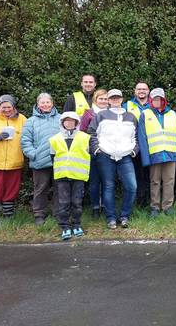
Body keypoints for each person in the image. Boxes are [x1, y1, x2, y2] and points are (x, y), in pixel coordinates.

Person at [88, 89, 138, 229]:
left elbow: (136, 136)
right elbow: (91, 133)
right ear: (108, 100)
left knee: (131, 186)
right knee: (108, 186)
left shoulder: (131, 116)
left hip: (125, 156)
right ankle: (110, 218)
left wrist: (134, 151)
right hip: (105, 156)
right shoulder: (101, 115)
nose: (115, 100)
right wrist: (97, 149)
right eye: (112, 98)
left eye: (118, 97)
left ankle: (124, 216)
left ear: (122, 99)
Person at [138, 88, 176, 217]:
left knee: (169, 180)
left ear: (164, 99)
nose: (157, 101)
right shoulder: (145, 114)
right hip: (155, 154)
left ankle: (168, 207)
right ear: (150, 100)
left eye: (159, 99)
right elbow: (142, 138)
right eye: (154, 99)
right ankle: (154, 207)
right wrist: (145, 158)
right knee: (155, 181)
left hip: (170, 154)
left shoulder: (172, 114)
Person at [49, 112, 90, 240]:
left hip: (78, 175)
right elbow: (53, 157)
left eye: (72, 121)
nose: (69, 123)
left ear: (77, 123)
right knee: (63, 202)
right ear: (62, 123)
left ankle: (76, 224)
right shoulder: (54, 139)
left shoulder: (84, 137)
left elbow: (88, 154)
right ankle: (65, 226)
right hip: (62, 176)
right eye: (66, 121)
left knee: (77, 202)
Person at [21, 93, 61, 225]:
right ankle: (39, 214)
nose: (45, 105)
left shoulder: (61, 119)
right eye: (42, 103)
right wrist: (34, 154)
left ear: (52, 103)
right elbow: (25, 141)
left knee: (59, 188)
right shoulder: (31, 121)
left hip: (59, 160)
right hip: (39, 161)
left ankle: (59, 212)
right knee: (40, 189)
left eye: (47, 102)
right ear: (38, 104)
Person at [0, 95, 27, 225]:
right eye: (3, 107)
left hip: (15, 161)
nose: (6, 109)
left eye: (9, 106)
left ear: (13, 106)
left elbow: (28, 137)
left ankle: (8, 216)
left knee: (11, 190)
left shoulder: (22, 119)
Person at [79, 89, 108, 218]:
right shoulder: (88, 113)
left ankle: (106, 206)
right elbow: (82, 132)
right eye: (100, 99)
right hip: (93, 153)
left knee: (108, 181)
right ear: (95, 100)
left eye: (106, 99)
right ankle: (95, 207)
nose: (103, 101)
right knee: (95, 182)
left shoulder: (112, 113)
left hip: (109, 152)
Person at [123, 82, 150, 207]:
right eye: (139, 89)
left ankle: (148, 202)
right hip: (133, 146)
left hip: (150, 146)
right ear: (135, 91)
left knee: (149, 176)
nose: (141, 91)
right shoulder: (127, 105)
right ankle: (137, 203)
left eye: (144, 89)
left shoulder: (154, 105)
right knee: (135, 175)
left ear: (148, 91)